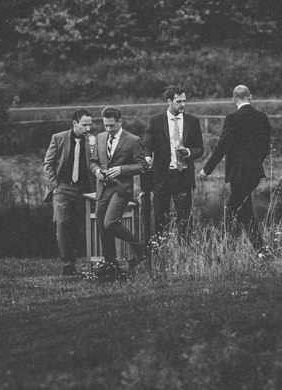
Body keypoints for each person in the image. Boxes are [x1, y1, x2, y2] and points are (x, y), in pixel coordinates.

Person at [201, 84, 272, 252]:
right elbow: (265, 147)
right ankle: (259, 251)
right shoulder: (262, 117)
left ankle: (222, 250)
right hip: (254, 173)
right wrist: (256, 162)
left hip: (238, 174)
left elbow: (222, 146)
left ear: (233, 99)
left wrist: (207, 169)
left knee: (233, 209)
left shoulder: (233, 118)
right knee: (244, 211)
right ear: (250, 97)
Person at [89, 106, 149, 270]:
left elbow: (142, 166)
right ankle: (111, 265)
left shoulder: (133, 140)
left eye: (112, 125)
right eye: (106, 125)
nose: (108, 129)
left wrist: (121, 169)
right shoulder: (100, 138)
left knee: (110, 222)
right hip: (103, 188)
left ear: (120, 122)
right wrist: (97, 172)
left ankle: (140, 247)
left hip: (121, 189)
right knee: (103, 227)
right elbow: (93, 162)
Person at [143, 86, 205, 238]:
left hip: (183, 175)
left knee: (185, 220)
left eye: (184, 101)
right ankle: (161, 252)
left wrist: (189, 152)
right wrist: (147, 157)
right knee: (160, 218)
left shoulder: (193, 121)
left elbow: (200, 149)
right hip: (163, 176)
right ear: (169, 101)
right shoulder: (156, 121)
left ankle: (183, 254)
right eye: (179, 101)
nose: (183, 105)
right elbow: (147, 145)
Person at [43, 109, 97, 276]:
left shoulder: (93, 140)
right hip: (63, 188)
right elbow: (48, 164)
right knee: (61, 222)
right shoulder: (58, 138)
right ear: (75, 124)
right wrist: (55, 186)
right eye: (84, 125)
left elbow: (96, 163)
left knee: (76, 226)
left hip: (83, 190)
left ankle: (73, 263)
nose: (88, 128)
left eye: (90, 124)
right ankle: (67, 265)